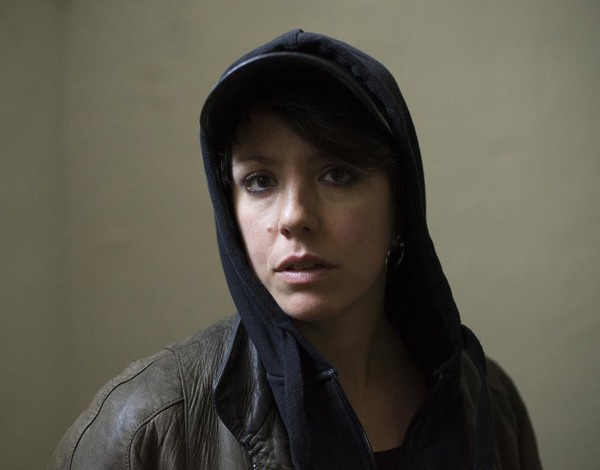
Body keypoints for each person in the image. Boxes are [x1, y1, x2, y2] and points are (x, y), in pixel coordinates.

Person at [49, 29, 542, 470]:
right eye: (260, 181)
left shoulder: (487, 399)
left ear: (401, 205)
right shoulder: (142, 431)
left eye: (337, 174)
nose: (294, 216)